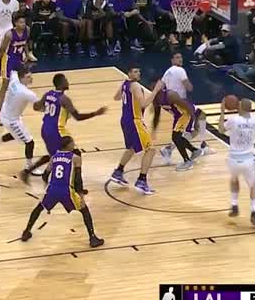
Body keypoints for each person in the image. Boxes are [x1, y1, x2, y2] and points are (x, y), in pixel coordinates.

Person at [19, 136, 105, 248]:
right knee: (84, 210)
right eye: (72, 143)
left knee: (39, 208)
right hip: (66, 190)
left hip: (53, 189)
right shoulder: (75, 158)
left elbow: (45, 175)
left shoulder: (54, 157)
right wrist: (81, 195)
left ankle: (26, 232)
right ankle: (93, 238)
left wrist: (47, 186)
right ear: (68, 145)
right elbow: (78, 179)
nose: (74, 144)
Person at [21, 73, 107, 183]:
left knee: (54, 155)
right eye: (65, 80)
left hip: (45, 129)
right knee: (75, 153)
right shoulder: (64, 99)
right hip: (57, 131)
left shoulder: (48, 94)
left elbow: (36, 107)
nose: (67, 82)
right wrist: (96, 113)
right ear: (61, 83)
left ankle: (36, 173)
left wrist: (48, 109)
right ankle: (77, 185)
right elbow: (78, 117)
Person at [110, 65, 162, 195]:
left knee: (132, 148)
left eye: (139, 71)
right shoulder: (135, 86)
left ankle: (118, 172)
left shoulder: (125, 84)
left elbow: (116, 97)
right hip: (135, 121)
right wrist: (155, 91)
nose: (138, 73)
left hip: (125, 120)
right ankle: (141, 181)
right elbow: (144, 104)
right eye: (135, 71)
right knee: (150, 150)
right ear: (129, 73)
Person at [0, 66, 40, 173]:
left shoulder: (14, 78)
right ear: (22, 78)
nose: (31, 78)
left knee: (16, 134)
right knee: (29, 142)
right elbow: (39, 106)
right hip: (11, 120)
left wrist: (24, 65)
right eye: (28, 77)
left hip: (5, 113)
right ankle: (29, 166)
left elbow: (13, 71)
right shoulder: (26, 93)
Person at [218, 97, 255, 226]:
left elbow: (221, 129)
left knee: (234, 180)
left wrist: (222, 111)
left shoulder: (233, 120)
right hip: (248, 159)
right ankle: (254, 211)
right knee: (254, 185)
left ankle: (234, 205)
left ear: (240, 108)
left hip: (234, 159)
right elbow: (247, 113)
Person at [160, 53, 209, 166]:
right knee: (183, 133)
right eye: (177, 57)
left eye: (181, 57)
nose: (180, 59)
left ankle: (202, 145)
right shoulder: (180, 70)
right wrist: (189, 85)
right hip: (182, 105)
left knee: (201, 116)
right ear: (172, 60)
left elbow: (161, 87)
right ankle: (172, 149)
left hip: (176, 104)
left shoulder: (167, 72)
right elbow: (189, 87)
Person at [0, 13, 31, 125]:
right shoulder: (9, 34)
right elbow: (2, 49)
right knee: (5, 85)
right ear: (15, 23)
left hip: (19, 60)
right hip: (8, 60)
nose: (23, 24)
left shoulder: (27, 30)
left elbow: (25, 43)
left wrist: (27, 54)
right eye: (20, 22)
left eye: (24, 22)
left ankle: (16, 112)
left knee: (21, 85)